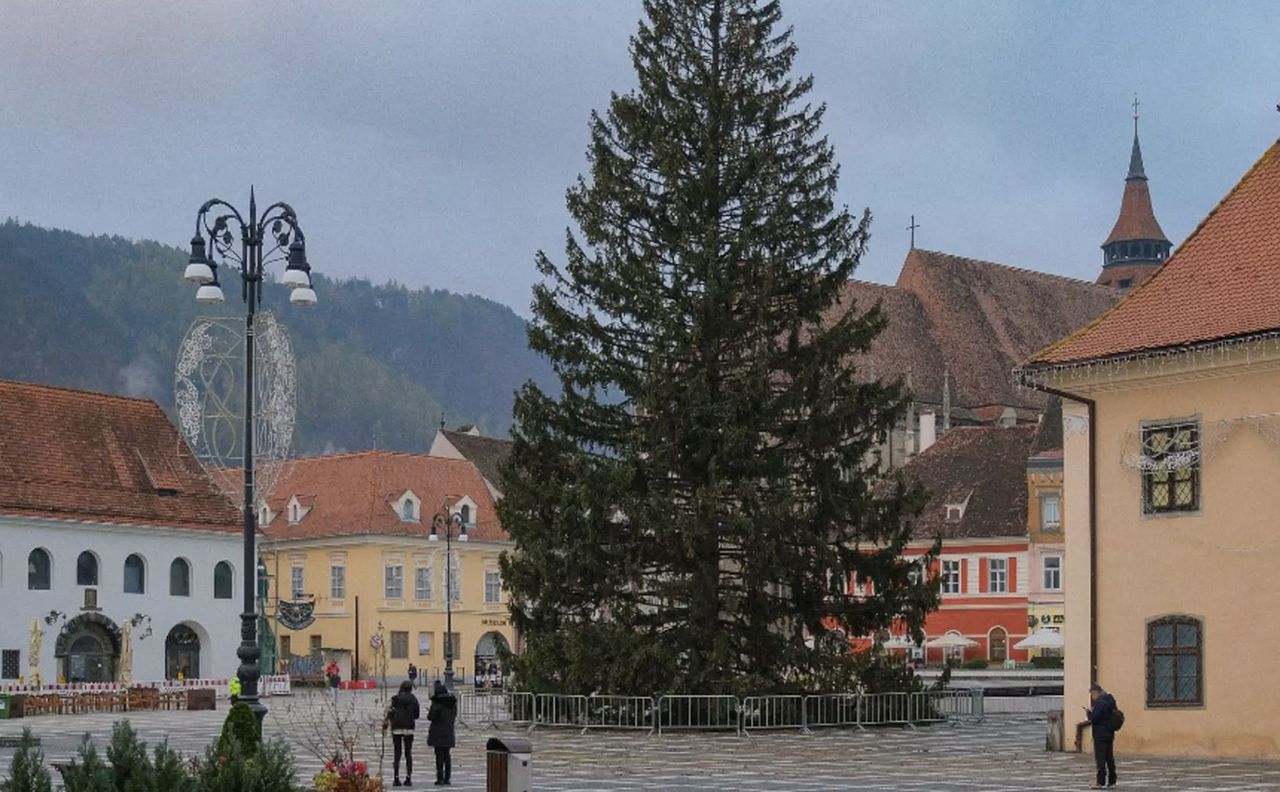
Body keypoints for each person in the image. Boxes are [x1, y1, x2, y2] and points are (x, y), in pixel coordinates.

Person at [383, 680, 420, 787]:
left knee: (397, 753)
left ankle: (396, 778)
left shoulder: (396, 699)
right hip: (409, 727)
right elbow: (416, 715)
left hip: (397, 727)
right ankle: (408, 778)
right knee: (408, 753)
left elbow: (390, 712)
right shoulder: (414, 699)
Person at [1084, 682, 1118, 788]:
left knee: (1100, 757)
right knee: (1109, 757)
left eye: (1092, 695)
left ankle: (1100, 781)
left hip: (1100, 733)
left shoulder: (1100, 703)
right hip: (1109, 731)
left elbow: (1093, 718)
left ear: (1095, 693)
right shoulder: (1110, 700)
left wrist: (1089, 713)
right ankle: (1112, 780)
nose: (1092, 698)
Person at [426, 680, 457, 787]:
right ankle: (447, 778)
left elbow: (430, 717)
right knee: (447, 756)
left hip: (437, 733)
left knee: (439, 756)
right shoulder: (452, 705)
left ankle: (440, 778)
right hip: (448, 732)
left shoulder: (436, 704)